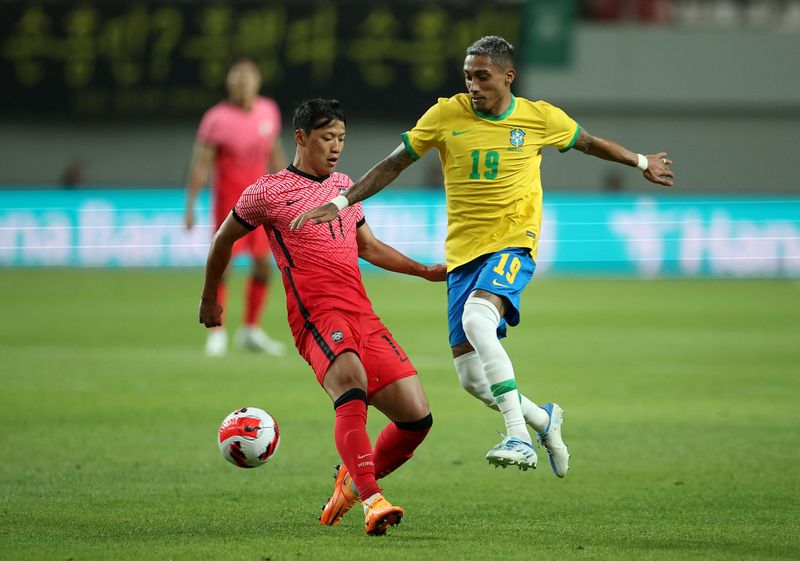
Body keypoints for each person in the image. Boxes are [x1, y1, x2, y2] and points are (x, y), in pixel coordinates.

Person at [290, 36, 674, 476]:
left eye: (483, 76)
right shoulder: (444, 115)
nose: (473, 84)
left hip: (513, 242)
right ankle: (545, 419)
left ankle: (518, 435)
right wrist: (340, 202)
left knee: (478, 320)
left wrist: (642, 161)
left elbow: (588, 142)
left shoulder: (538, 117)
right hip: (463, 257)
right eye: (468, 75)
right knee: (473, 379)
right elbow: (393, 164)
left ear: (508, 76)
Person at [199, 99, 446, 535]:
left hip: (362, 314)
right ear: (300, 138)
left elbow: (367, 247)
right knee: (351, 384)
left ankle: (350, 484)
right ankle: (373, 500)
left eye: (342, 139)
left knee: (416, 418)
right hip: (315, 314)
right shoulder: (269, 191)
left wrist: (423, 271)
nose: (336, 148)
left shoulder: (347, 188)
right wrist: (209, 299)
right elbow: (223, 239)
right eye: (327, 138)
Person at [186, 58, 287, 357]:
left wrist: (288, 191)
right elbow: (200, 165)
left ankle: (250, 330)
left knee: (263, 266)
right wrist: (190, 205)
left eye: (248, 78)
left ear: (257, 83)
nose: (243, 84)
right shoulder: (216, 118)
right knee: (223, 266)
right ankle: (216, 332)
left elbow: (275, 154)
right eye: (237, 79)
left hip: (262, 204)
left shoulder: (268, 111)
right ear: (229, 83)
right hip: (228, 204)